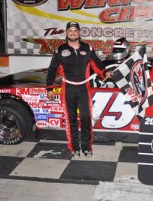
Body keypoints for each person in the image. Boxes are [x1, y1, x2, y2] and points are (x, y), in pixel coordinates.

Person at [46, 21, 112, 157]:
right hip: (68, 88)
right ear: (66, 33)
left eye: (75, 30)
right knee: (71, 120)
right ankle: (74, 147)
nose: (73, 33)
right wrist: (50, 88)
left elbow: (97, 64)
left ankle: (87, 147)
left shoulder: (87, 48)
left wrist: (105, 73)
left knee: (86, 118)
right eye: (70, 30)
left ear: (79, 33)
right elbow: (52, 70)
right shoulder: (60, 50)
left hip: (84, 88)